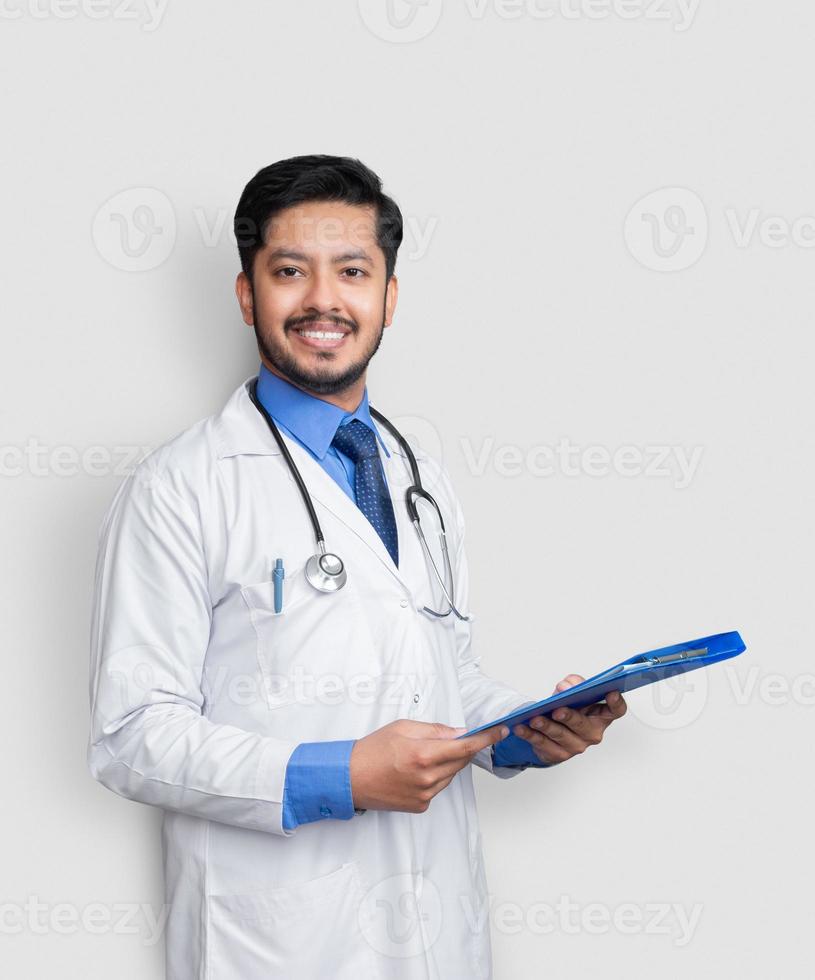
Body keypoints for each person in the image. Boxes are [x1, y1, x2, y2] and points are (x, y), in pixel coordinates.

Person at [87, 154, 626, 978]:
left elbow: (442, 672)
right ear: (246, 295)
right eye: (289, 272)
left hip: (434, 930)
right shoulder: (180, 486)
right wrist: (339, 776)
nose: (323, 301)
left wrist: (523, 733)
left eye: (352, 272)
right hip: (277, 940)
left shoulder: (418, 472)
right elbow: (132, 737)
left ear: (389, 298)